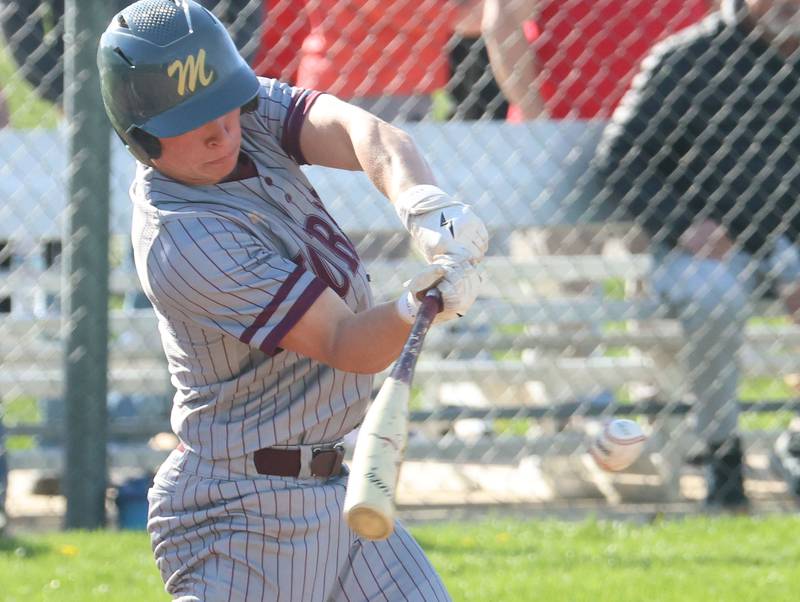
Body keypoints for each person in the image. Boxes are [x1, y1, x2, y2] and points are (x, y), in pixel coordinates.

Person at [97, 1, 488, 600]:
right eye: (192, 120)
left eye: (224, 105)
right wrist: (416, 307)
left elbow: (368, 132)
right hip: (240, 515)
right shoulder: (184, 238)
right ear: (141, 138)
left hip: (336, 490)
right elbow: (345, 343)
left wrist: (423, 202)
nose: (221, 130)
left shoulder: (244, 115)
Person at [593, 0, 800, 509]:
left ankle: (795, 442)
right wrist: (686, 225)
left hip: (785, 241)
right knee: (715, 299)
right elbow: (620, 158)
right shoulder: (688, 57)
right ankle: (722, 454)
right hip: (705, 250)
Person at [480, 0, 711, 121]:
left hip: (671, 136)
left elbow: (721, 20)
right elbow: (503, 22)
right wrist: (538, 121)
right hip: (565, 132)